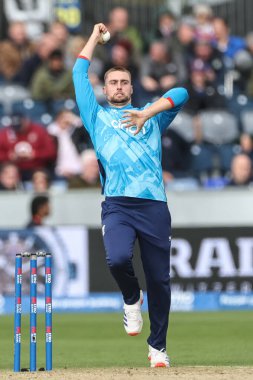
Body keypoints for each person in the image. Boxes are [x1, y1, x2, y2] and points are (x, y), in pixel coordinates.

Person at [73, 23, 188, 368]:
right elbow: (79, 71)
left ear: (131, 87)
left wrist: (148, 112)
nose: (119, 87)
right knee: (118, 260)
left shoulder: (152, 118)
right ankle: (130, 297)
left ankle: (158, 348)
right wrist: (94, 36)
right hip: (118, 205)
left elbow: (181, 93)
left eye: (124, 82)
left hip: (154, 205)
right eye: (113, 82)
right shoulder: (96, 117)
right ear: (105, 88)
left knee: (161, 280)